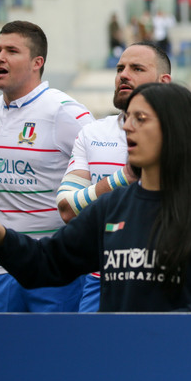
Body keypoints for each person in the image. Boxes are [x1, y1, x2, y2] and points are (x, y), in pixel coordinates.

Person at [0, 83, 191, 312]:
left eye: (141, 119)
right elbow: (46, 263)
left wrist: (160, 324)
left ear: (175, 128)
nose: (127, 127)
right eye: (127, 118)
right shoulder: (111, 208)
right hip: (117, 366)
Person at [0, 21, 94, 312]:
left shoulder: (64, 111)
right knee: (4, 355)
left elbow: (99, 173)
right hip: (2, 267)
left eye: (11, 50)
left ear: (37, 62)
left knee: (56, 355)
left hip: (55, 270)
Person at [56, 42, 171, 312]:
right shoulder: (93, 133)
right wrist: (122, 178)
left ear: (164, 81)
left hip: (166, 280)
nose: (123, 74)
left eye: (137, 68)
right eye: (120, 68)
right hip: (100, 280)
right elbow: (66, 208)